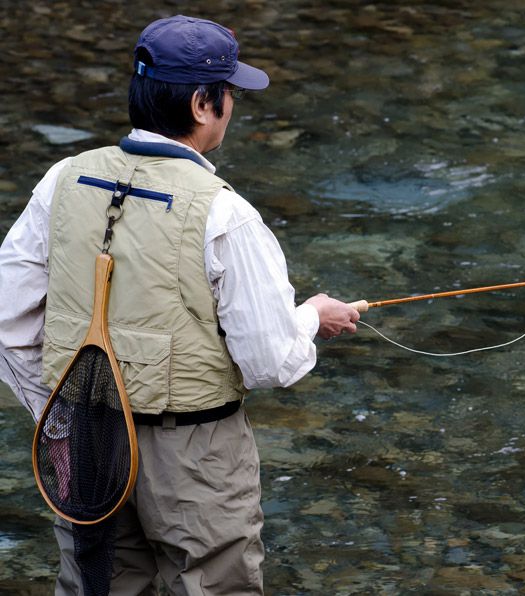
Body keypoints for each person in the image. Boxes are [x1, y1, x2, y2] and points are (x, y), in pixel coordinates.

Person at [0, 15, 359, 595]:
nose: (232, 106)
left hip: (88, 437)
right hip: (196, 456)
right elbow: (270, 362)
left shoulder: (61, 180)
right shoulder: (228, 215)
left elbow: (7, 325)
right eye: (230, 94)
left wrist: (59, 419)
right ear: (201, 103)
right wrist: (310, 316)